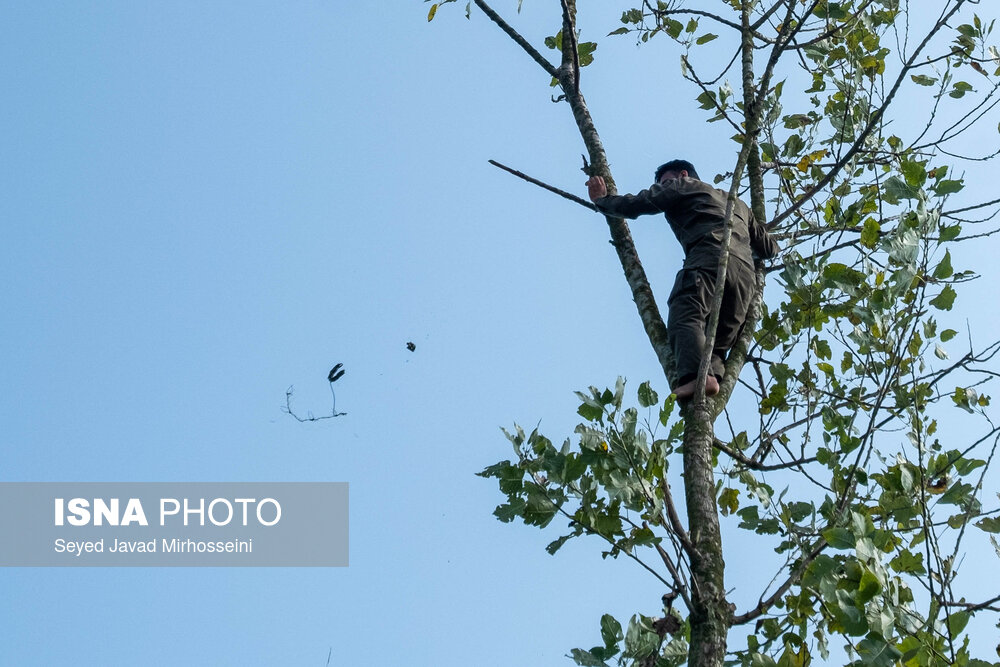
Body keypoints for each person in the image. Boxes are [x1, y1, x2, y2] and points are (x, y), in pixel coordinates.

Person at [586, 160, 778, 399]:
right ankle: (710, 380)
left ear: (683, 174)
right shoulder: (737, 203)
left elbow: (641, 203)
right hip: (745, 279)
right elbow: (770, 249)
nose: (664, 188)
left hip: (709, 256)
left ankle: (695, 378)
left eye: (665, 183)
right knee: (715, 341)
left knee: (686, 311)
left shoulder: (684, 185)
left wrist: (603, 200)